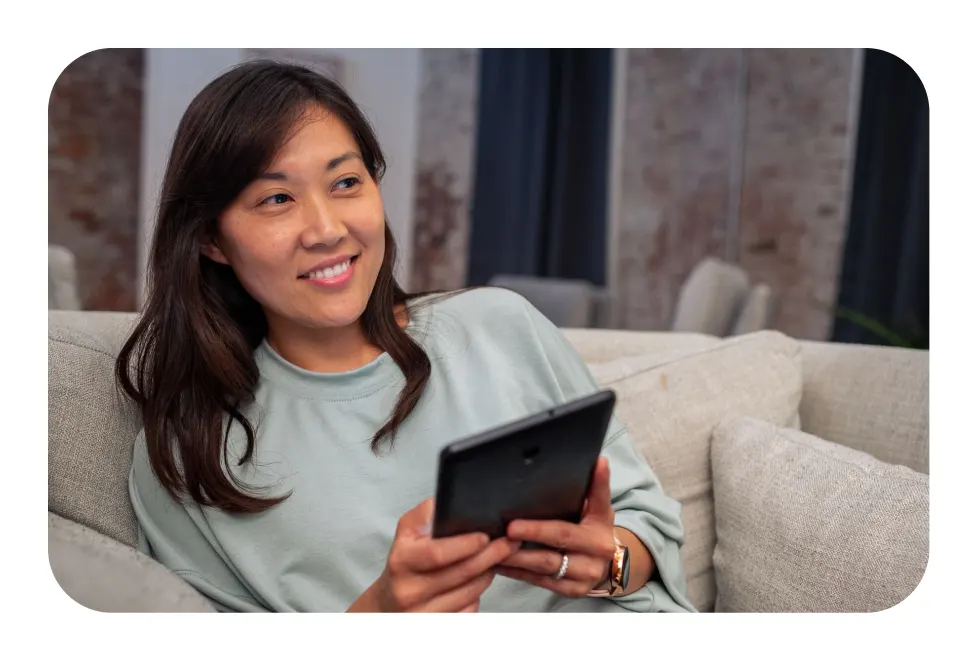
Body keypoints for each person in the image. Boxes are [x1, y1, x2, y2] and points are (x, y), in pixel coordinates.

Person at [118, 60, 695, 614]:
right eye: (277, 199)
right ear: (211, 240)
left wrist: (606, 565)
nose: (327, 229)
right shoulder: (184, 450)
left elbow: (651, 525)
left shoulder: (500, 326)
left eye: (346, 182)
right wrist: (382, 613)